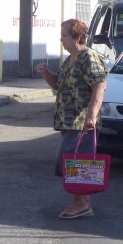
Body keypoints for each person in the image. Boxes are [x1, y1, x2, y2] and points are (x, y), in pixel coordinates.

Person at [36, 19, 107, 219]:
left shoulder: (88, 57)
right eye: (61, 36)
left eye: (64, 36)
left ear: (78, 37)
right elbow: (58, 84)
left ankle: (82, 203)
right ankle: (82, 203)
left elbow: (99, 86)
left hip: (82, 122)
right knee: (75, 163)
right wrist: (46, 73)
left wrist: (91, 115)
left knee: (75, 163)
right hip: (69, 122)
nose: (61, 40)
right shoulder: (70, 59)